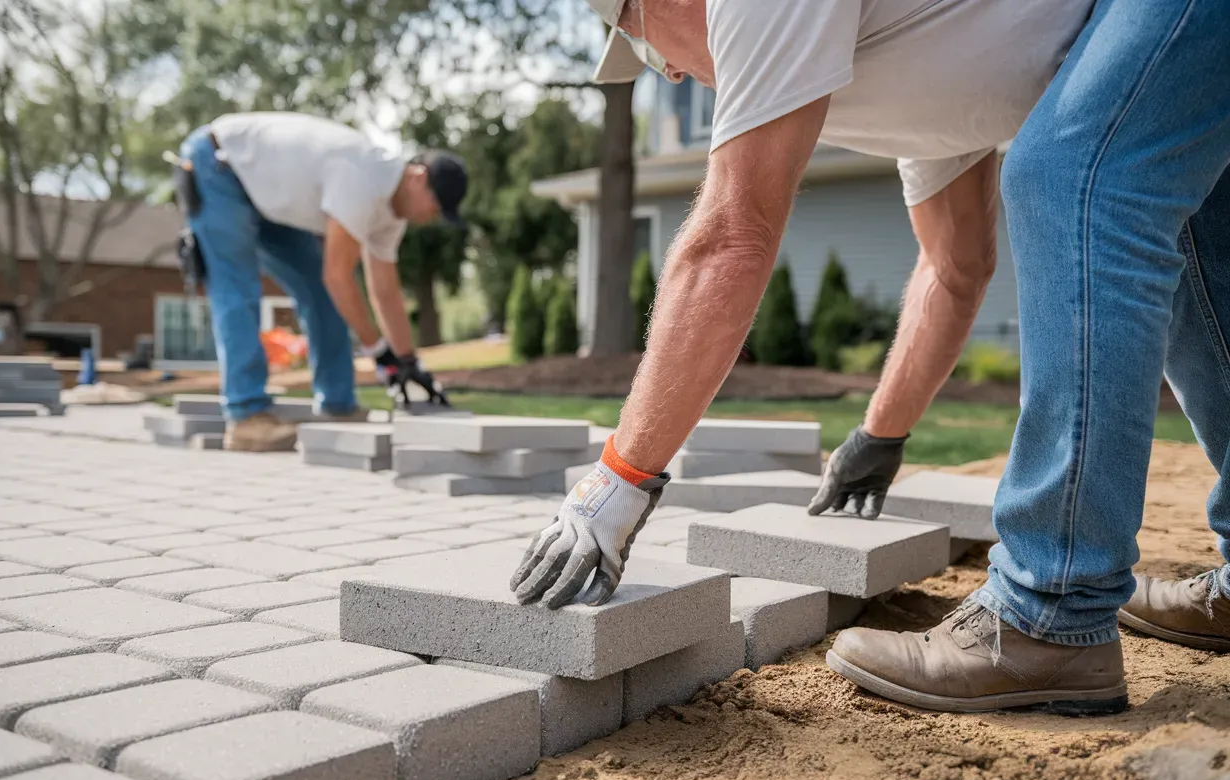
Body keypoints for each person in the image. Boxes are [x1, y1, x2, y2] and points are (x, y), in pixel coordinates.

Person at [510, 0, 1230, 712]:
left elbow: (730, 235)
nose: (664, 75)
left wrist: (617, 484)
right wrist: (879, 435)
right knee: (1193, 243)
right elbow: (955, 268)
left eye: (636, 41)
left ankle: (1049, 614)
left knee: (1072, 179)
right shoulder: (915, 69)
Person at [176, 112, 465, 451]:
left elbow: (383, 290)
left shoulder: (391, 214)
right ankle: (246, 417)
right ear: (418, 177)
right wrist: (378, 351)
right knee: (237, 288)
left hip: (267, 197)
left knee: (321, 293)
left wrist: (407, 361)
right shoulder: (364, 179)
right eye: (435, 205)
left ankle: (338, 405)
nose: (432, 217)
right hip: (218, 165)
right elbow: (339, 276)